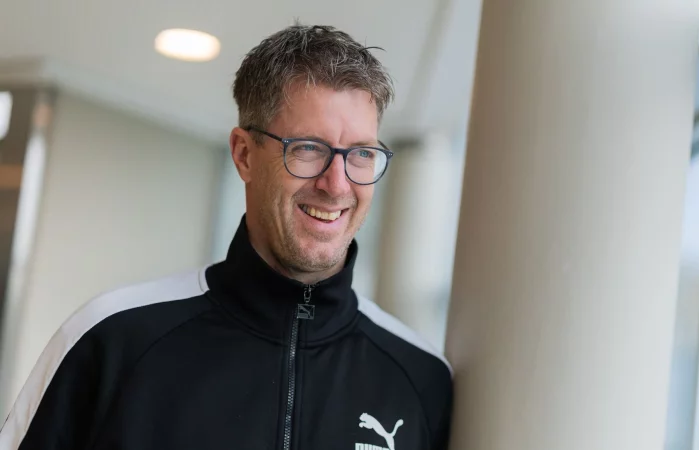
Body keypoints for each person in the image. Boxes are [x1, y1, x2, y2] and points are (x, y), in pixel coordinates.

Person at [0, 24, 452, 450]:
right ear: (243, 154)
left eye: (361, 154)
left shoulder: (420, 378)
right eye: (309, 149)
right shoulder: (112, 339)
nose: (337, 184)